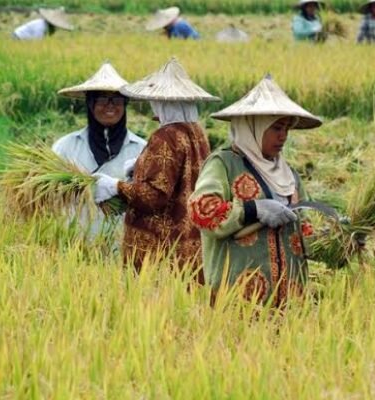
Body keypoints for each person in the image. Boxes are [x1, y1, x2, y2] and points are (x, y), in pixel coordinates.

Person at [189, 75, 323, 306]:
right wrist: (253, 210)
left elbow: (305, 229)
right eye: (276, 128)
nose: (283, 136)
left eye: (287, 129)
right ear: (253, 127)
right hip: (238, 300)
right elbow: (200, 210)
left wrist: (342, 241)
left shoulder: (288, 175)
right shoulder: (224, 164)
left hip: (291, 303)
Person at [93, 58, 220, 283]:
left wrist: (115, 186)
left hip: (161, 252)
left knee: (155, 311)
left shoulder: (166, 136)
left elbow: (153, 197)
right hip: (190, 242)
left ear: (162, 102)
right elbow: (181, 179)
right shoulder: (197, 133)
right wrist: (141, 166)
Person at [54, 62, 146, 237]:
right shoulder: (65, 146)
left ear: (125, 104)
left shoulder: (142, 149)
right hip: (75, 241)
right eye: (103, 99)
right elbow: (49, 194)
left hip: (122, 244)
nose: (110, 105)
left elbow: (150, 198)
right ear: (90, 103)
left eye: (117, 100)